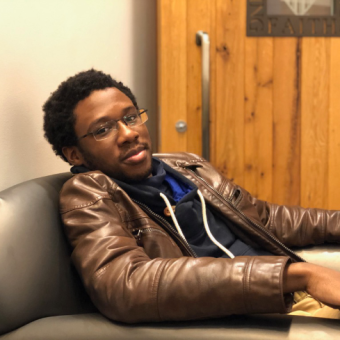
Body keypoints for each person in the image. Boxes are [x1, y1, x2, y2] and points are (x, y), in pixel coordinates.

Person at [43, 69, 340, 323]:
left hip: (293, 294)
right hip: (259, 314)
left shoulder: (184, 166)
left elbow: (264, 219)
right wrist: (297, 276)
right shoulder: (88, 193)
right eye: (103, 129)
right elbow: (126, 285)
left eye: (131, 117)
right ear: (75, 154)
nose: (128, 133)